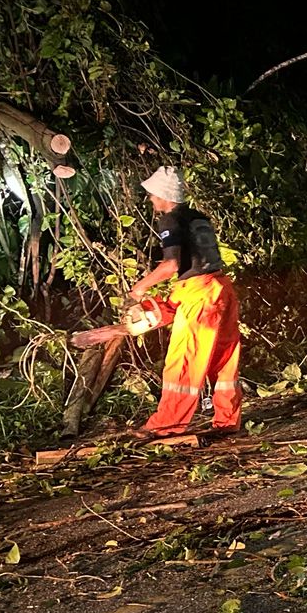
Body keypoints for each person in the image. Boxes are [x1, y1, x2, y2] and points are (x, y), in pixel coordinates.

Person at [127, 165, 242, 439]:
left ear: (164, 195)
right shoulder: (199, 217)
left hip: (199, 295)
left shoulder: (170, 219)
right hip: (221, 288)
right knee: (223, 358)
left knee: (184, 360)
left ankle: (167, 425)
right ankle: (227, 421)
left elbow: (171, 266)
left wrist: (139, 288)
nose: (152, 201)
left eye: (153, 195)